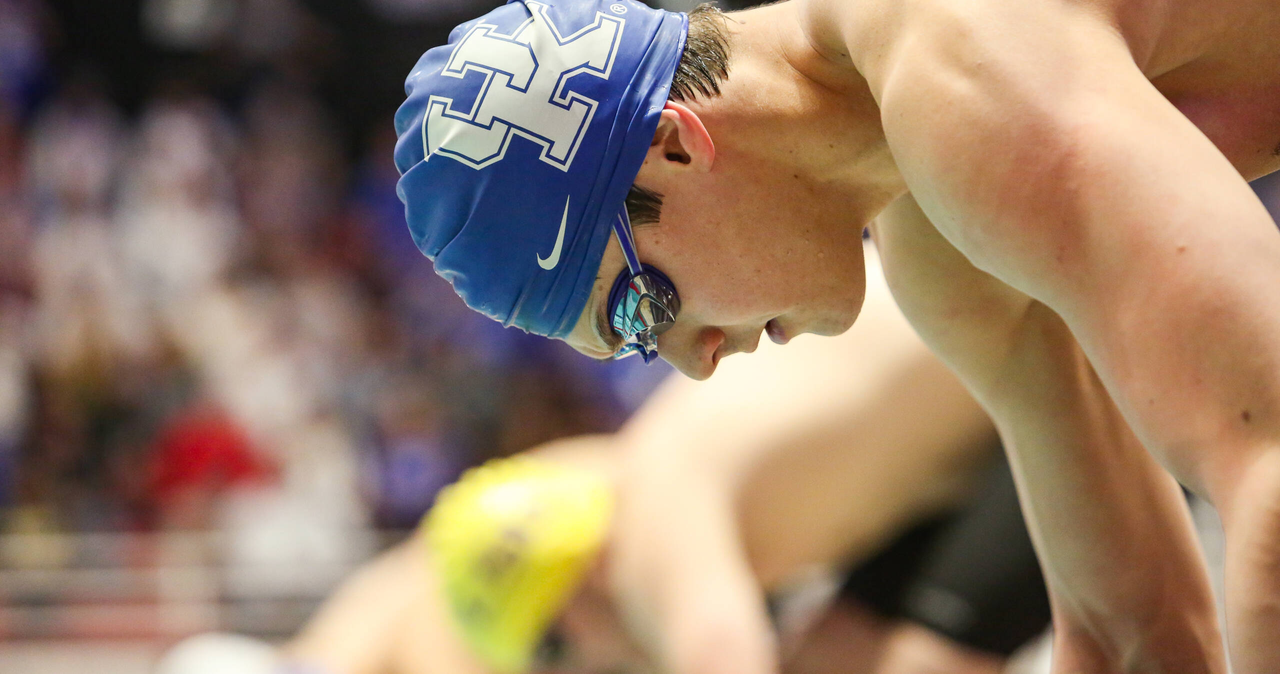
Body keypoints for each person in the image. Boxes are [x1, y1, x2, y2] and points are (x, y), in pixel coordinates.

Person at [394, 0, 1280, 670]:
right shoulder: (935, 246)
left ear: (675, 144)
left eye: (641, 305)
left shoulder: (954, 52)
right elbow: (1128, 630)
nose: (694, 366)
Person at [155, 256, 1051, 674]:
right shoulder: (626, 474)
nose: (578, 668)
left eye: (554, 651)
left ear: (585, 581)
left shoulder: (663, 521)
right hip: (980, 381)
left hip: (1042, 357)